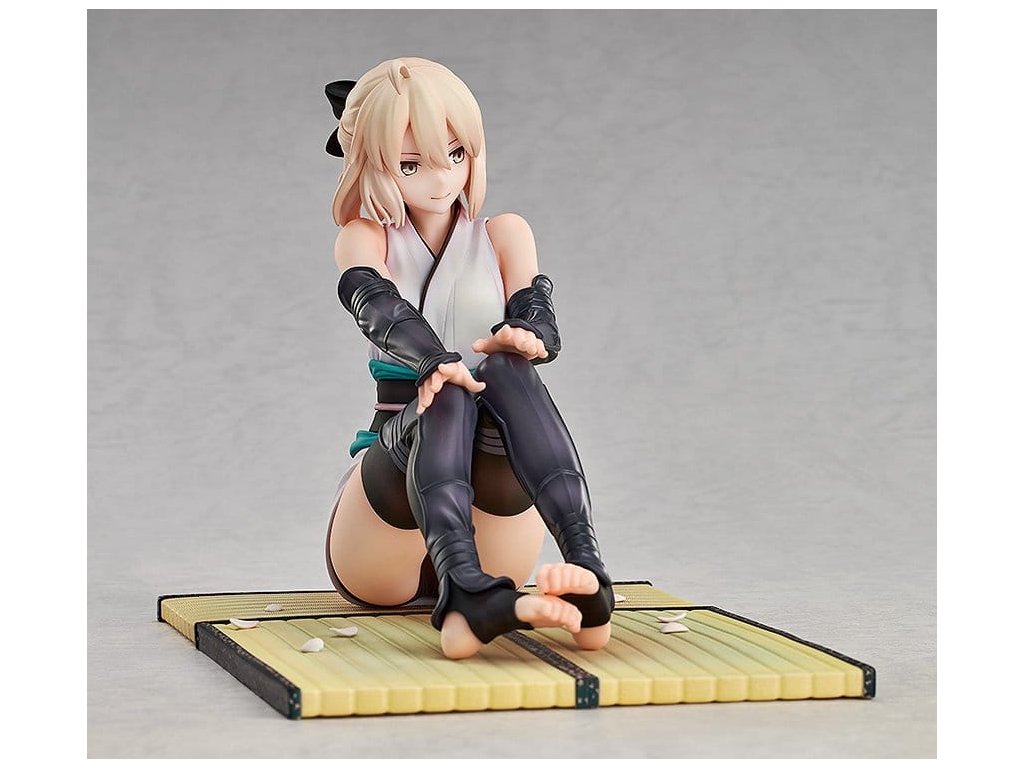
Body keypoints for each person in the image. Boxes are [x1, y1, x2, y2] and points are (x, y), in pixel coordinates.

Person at [323, 57, 614, 659]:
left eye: (455, 154)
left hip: (495, 494)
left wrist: (527, 335)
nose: (440, 179)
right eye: (411, 164)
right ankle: (463, 592)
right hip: (389, 502)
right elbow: (374, 303)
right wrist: (433, 361)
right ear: (372, 165)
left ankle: (588, 572)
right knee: (450, 392)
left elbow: (536, 307)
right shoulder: (366, 237)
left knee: (506, 369)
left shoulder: (504, 234)